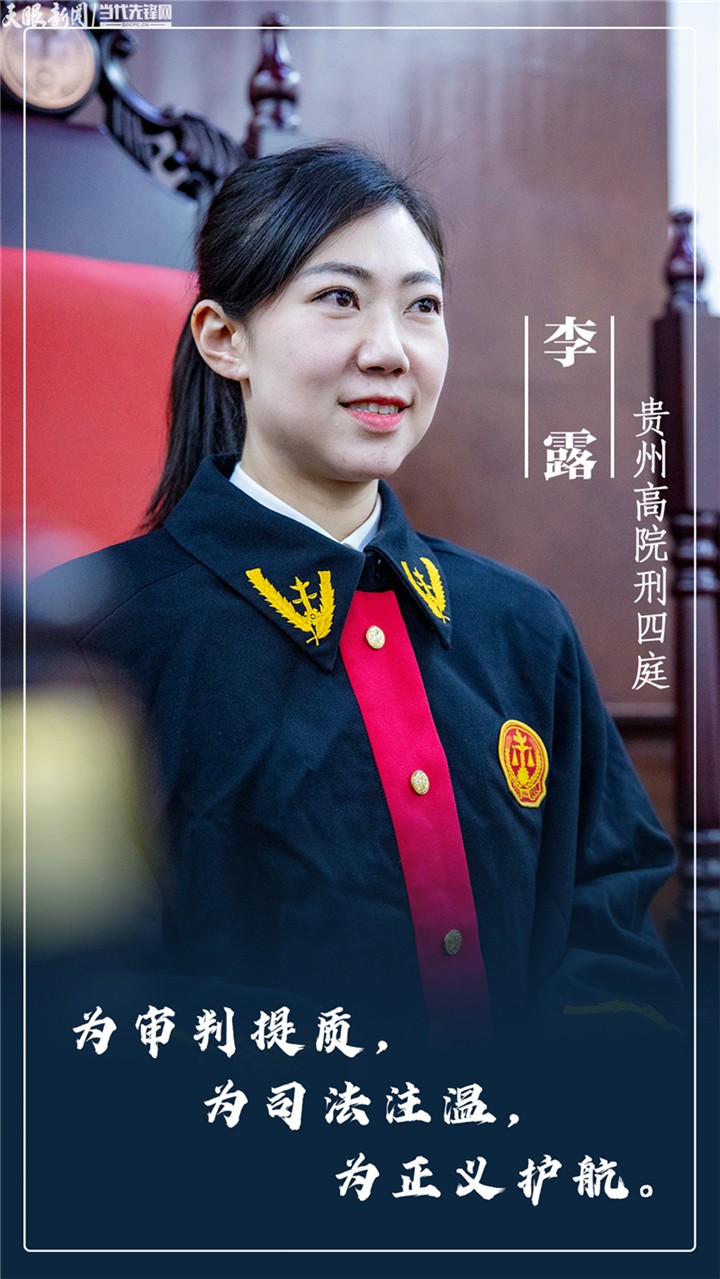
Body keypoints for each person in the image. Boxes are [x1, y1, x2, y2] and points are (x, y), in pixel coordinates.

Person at [32, 143, 683, 1062]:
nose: (389, 351)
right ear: (224, 338)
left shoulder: (525, 628)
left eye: (423, 306)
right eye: (339, 298)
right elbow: (71, 1003)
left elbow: (612, 929)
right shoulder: (92, 643)